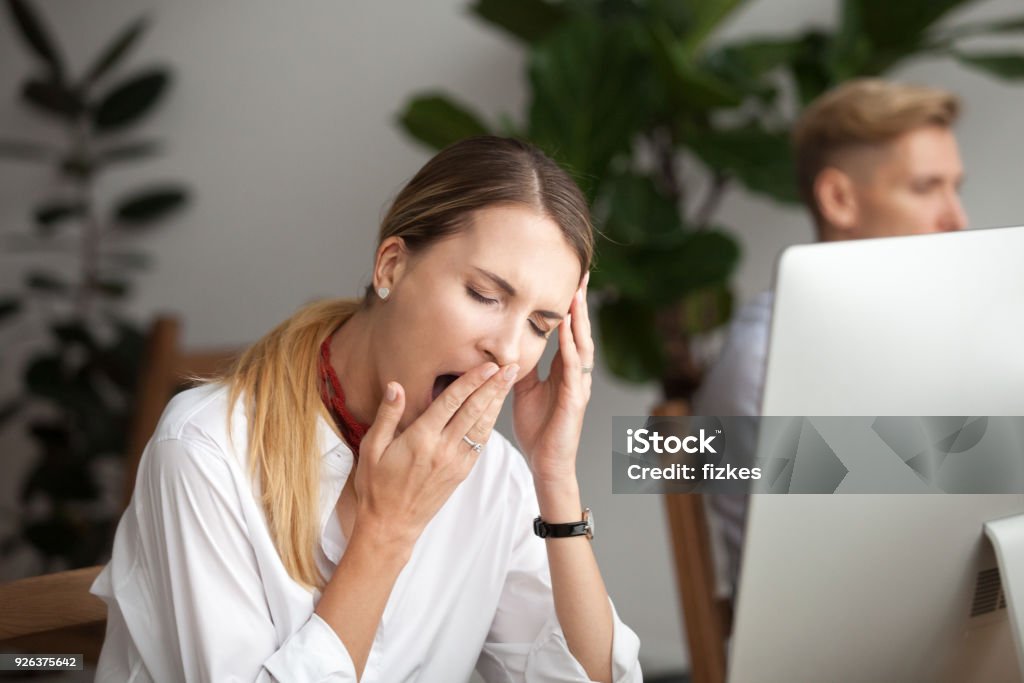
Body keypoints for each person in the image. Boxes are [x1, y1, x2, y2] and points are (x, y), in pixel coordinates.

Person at [90, 136, 642, 682]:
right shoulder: (204, 449)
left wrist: (555, 477)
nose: (508, 348)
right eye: (483, 295)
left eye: (538, 325)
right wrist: (387, 532)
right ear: (392, 267)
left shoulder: (493, 474)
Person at [694, 78, 968, 596]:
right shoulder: (767, 361)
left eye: (956, 188)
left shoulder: (939, 341)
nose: (956, 219)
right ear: (839, 198)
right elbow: (824, 583)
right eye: (926, 187)